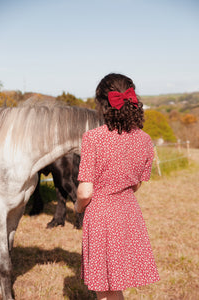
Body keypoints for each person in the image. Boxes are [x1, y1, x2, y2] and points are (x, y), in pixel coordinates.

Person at [75, 73, 160, 300]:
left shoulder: (93, 138)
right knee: (115, 283)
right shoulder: (145, 139)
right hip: (129, 212)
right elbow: (137, 184)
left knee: (104, 288)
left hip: (102, 215)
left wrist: (77, 207)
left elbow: (85, 191)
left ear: (103, 104)